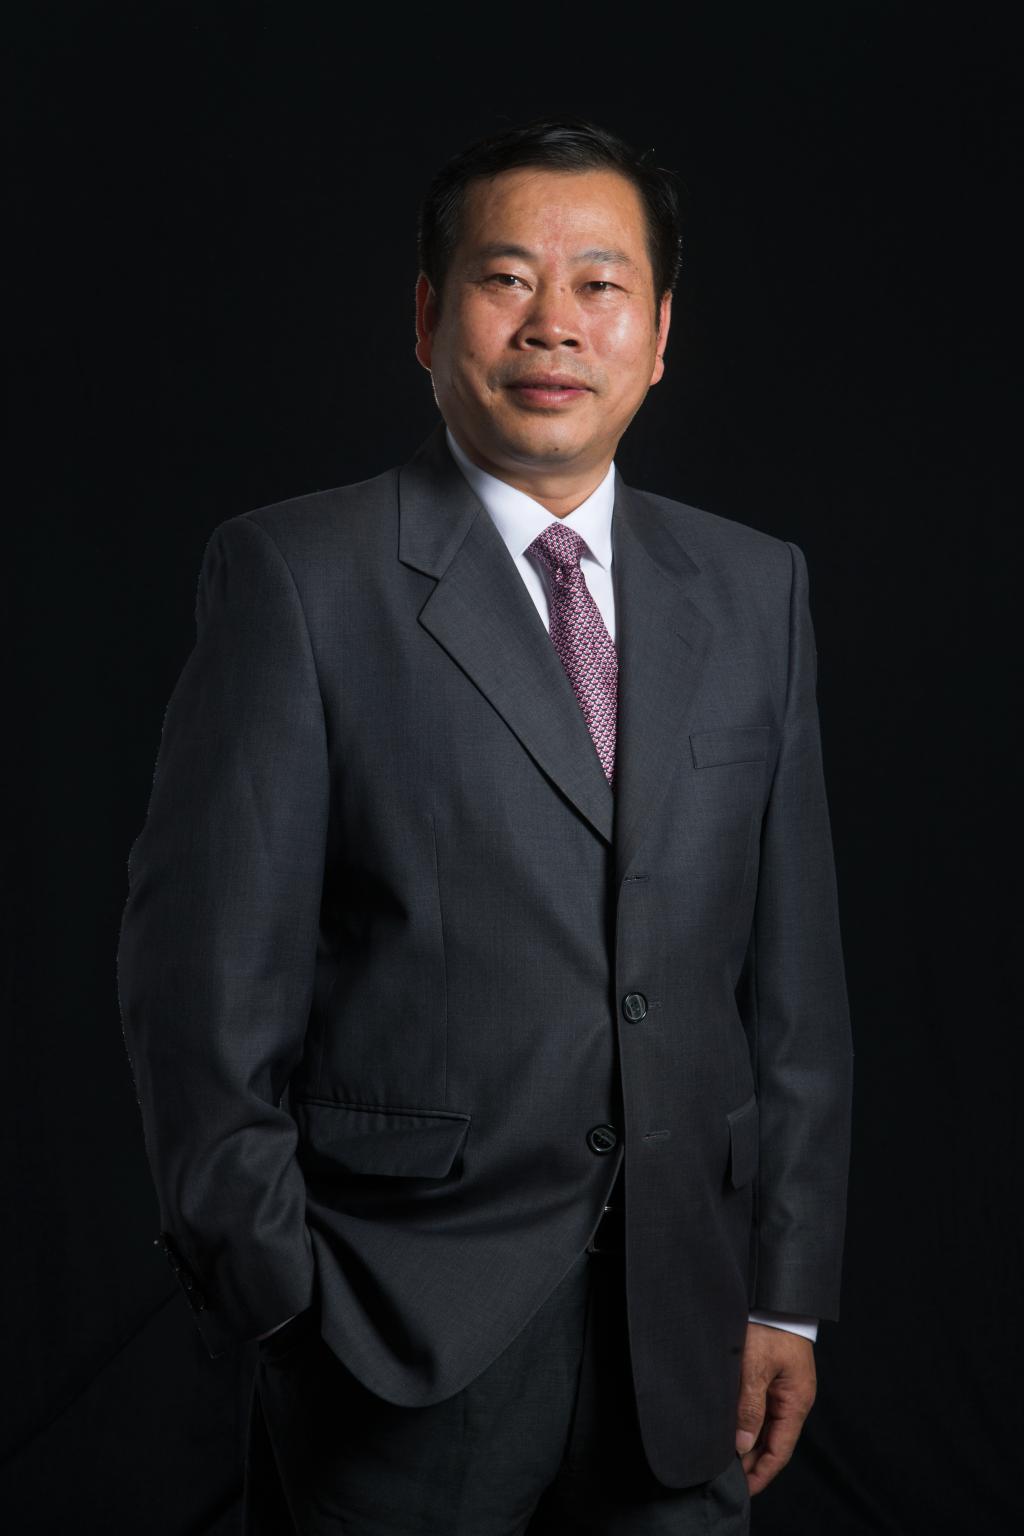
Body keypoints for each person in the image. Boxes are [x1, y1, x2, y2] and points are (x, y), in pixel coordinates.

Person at [117, 117, 853, 1535]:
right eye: (506, 278)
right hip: (390, 1335)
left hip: (685, 1334)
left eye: (600, 285)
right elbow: (199, 985)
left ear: (659, 334)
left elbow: (796, 990)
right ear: (426, 317)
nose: (552, 323)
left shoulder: (756, 590)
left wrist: (789, 1295)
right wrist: (282, 1298)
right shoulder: (297, 577)